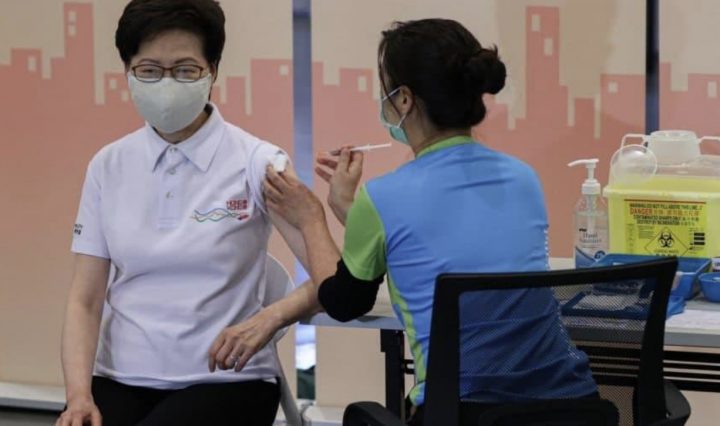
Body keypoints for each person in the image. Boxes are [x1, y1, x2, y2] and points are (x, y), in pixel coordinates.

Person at [221, 18, 599, 425]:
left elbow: (345, 302)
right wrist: (350, 208)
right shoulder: (524, 178)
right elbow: (430, 242)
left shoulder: (384, 197)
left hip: (464, 414)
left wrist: (312, 218)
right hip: (574, 407)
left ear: (403, 99)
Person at [56, 1, 308, 425]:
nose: (167, 83)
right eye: (149, 70)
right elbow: (85, 300)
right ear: (128, 71)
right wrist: (78, 396)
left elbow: (330, 278)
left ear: (213, 70)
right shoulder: (108, 165)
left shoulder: (259, 162)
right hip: (120, 377)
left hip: (229, 380)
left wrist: (270, 317)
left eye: (186, 70)